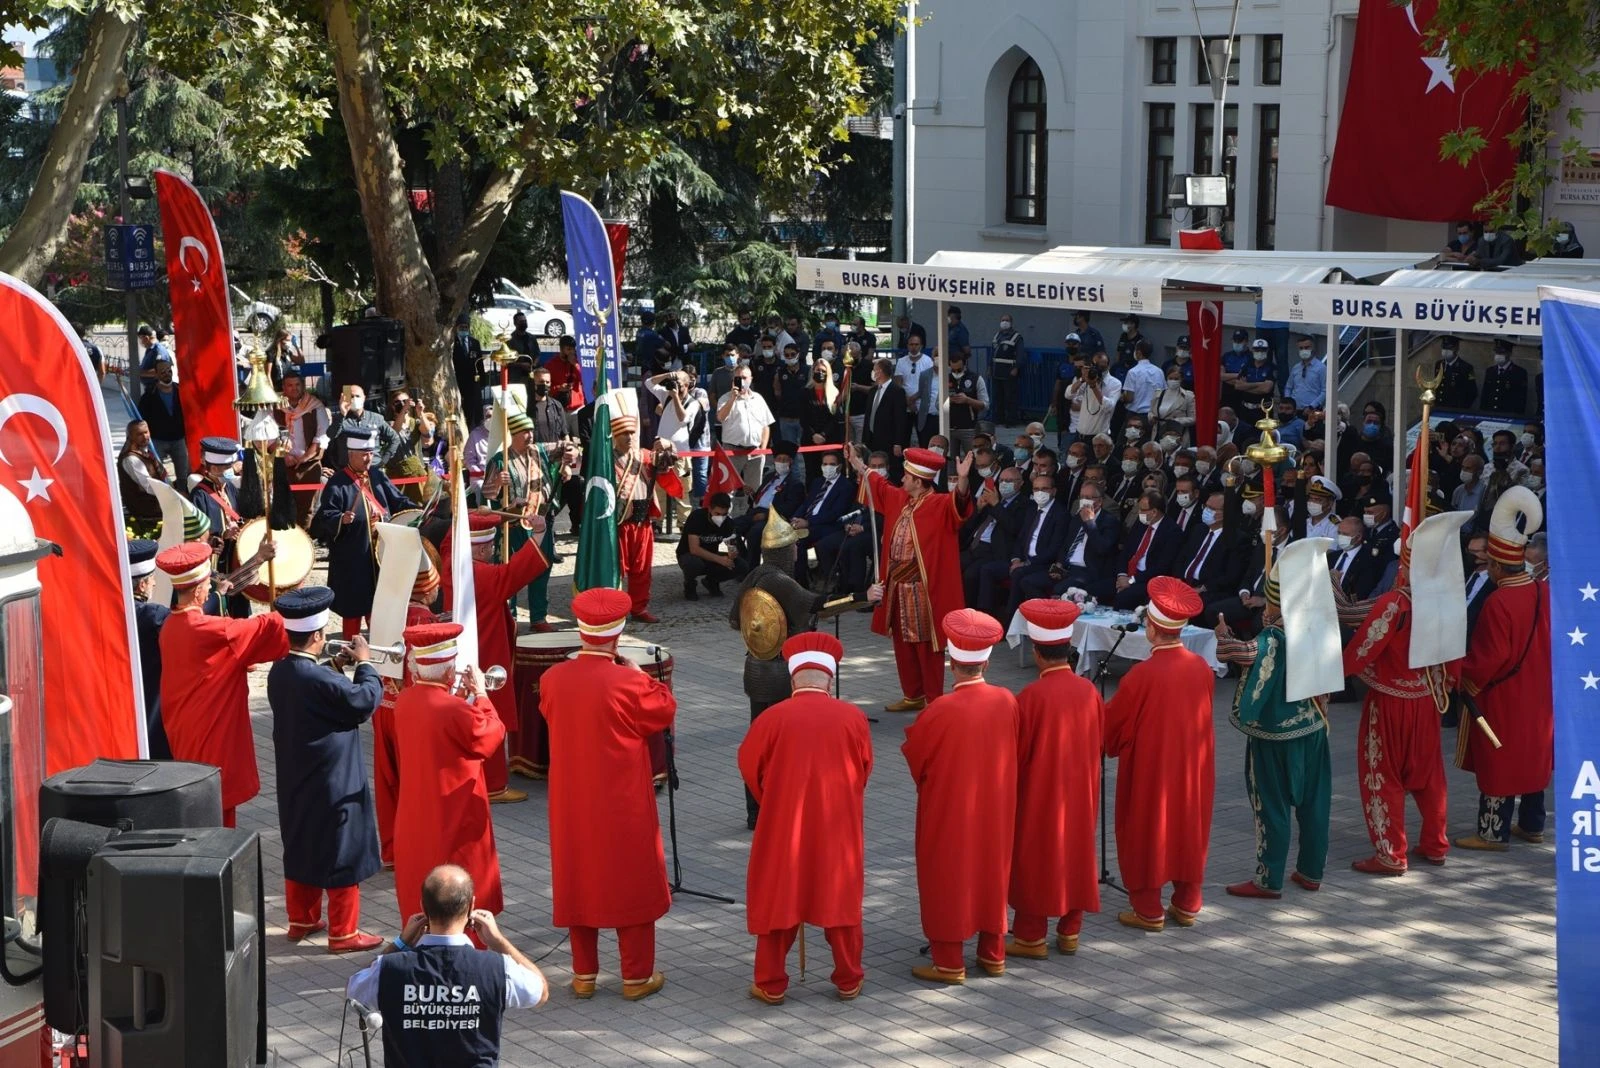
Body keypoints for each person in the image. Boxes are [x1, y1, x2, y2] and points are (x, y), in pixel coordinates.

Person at [539, 589, 676, 1001]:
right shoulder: (628, 683)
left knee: (579, 877)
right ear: (618, 636)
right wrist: (638, 675)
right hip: (622, 801)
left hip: (571, 802)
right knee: (630, 879)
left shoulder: (551, 679)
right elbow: (664, 709)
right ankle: (636, 976)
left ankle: (584, 975)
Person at [740, 633, 872, 1003]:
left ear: (793, 678)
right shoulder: (853, 717)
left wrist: (774, 799)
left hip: (785, 824)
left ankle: (770, 981)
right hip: (838, 825)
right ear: (829, 679)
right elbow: (863, 770)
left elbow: (750, 767)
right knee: (839, 896)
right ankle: (848, 977)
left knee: (779, 894)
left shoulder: (771, 718)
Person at [901, 609, 1019, 984]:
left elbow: (917, 758)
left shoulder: (940, 710)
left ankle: (949, 960)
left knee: (946, 875)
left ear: (952, 662)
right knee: (991, 870)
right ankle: (992, 952)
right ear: (985, 660)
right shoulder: (1006, 700)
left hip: (949, 807)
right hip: (996, 806)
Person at [1342, 515, 1463, 874]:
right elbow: (1454, 652)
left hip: (1389, 702)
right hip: (1425, 700)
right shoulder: (1444, 599)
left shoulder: (1396, 603)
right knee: (1429, 776)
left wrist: (1336, 673)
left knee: (1383, 775)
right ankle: (1436, 844)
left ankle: (1391, 853)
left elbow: (1365, 645)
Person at [267, 587, 386, 952]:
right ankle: (344, 931)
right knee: (341, 847)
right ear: (319, 636)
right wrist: (365, 663)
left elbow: (318, 692)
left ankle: (301, 918)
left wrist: (337, 667)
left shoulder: (280, 671)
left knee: (301, 840)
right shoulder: (319, 680)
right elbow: (362, 701)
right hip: (333, 777)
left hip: (296, 774)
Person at [347, 865, 548, 1067]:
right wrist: (498, 942)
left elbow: (355, 992)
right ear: (471, 907)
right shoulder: (497, 968)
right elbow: (540, 992)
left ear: (423, 907)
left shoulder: (390, 968)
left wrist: (400, 943)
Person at [1215, 560, 1333, 899]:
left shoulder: (1274, 635)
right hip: (1312, 725)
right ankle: (1311, 871)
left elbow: (1245, 653)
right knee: (1314, 803)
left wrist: (1224, 637)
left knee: (1272, 804)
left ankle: (1269, 879)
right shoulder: (1317, 623)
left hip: (1275, 734)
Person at [1103, 578, 1216, 931]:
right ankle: (1187, 902)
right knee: (1188, 826)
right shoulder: (1201, 667)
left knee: (1147, 828)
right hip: (1192, 765)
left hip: (1152, 767)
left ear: (1152, 627)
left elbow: (1113, 724)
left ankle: (1148, 908)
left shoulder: (1141, 676)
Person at [156, 542, 287, 826]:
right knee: (216, 818)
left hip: (186, 732)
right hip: (210, 735)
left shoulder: (171, 625)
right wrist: (292, 611)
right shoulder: (207, 629)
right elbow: (261, 629)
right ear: (200, 590)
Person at [1454, 488, 1551, 852]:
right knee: (1532, 754)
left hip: (1503, 695)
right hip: (1538, 690)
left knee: (1500, 759)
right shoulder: (1543, 591)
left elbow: (1489, 659)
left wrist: (1461, 672)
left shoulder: (1499, 600)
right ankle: (1532, 824)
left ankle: (1492, 832)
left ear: (1495, 565)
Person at [390, 623, 505, 924]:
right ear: (449, 672)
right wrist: (481, 695)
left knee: (420, 887)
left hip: (417, 814)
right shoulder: (453, 709)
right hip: (455, 816)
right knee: (461, 895)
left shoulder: (405, 701)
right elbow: (491, 736)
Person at [1007, 600, 1102, 960]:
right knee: (1077, 852)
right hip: (1080, 789)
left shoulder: (1030, 697)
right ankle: (1069, 931)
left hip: (1040, 790)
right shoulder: (1088, 691)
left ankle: (1031, 935)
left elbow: (1016, 750)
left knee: (1035, 856)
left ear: (1037, 652)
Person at [851, 447, 974, 713]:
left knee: (926, 644)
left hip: (923, 589)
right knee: (902, 642)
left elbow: (961, 504)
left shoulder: (939, 504)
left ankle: (933, 698)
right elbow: (879, 486)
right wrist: (858, 464)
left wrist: (963, 479)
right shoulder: (900, 499)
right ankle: (913, 694)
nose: (902, 480)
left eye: (906, 476)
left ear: (919, 481)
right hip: (897, 585)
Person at [441, 511, 550, 802]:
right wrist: (538, 533)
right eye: (489, 547)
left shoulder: (452, 563)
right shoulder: (483, 575)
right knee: (489, 710)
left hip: (460, 644)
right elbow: (518, 571)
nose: (492, 551)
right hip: (485, 648)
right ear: (478, 547)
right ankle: (494, 784)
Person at [729, 514, 821, 829]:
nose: (797, 551)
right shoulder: (779, 581)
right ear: (785, 552)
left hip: (756, 667)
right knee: (780, 744)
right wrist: (864, 597)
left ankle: (755, 811)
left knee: (758, 740)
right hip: (780, 670)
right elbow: (814, 605)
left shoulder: (755, 575)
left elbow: (734, 619)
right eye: (794, 547)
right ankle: (775, 807)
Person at [311, 425, 413, 639]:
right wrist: (340, 519)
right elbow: (322, 519)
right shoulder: (338, 483)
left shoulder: (377, 476)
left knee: (379, 602)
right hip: (353, 555)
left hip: (379, 553)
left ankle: (377, 643)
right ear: (351, 454)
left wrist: (414, 509)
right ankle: (351, 648)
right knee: (354, 605)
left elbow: (397, 500)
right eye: (364, 454)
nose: (368, 459)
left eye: (370, 454)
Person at [375, 553, 443, 866]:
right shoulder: (424, 621)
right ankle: (416, 849)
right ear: (428, 589)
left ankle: (390, 850)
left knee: (388, 782)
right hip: (410, 711)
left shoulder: (386, 609)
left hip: (383, 706)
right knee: (415, 783)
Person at [481, 410, 564, 631]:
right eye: (525, 432)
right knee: (511, 571)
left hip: (540, 521)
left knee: (541, 567)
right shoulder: (500, 460)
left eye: (531, 431)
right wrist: (498, 482)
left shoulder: (539, 452)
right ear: (514, 434)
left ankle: (539, 617)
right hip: (513, 525)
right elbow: (486, 494)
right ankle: (511, 617)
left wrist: (571, 451)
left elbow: (565, 447)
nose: (530, 435)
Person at [608, 398, 671, 623]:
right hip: (621, 523)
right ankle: (614, 609)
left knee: (642, 570)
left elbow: (667, 465)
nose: (630, 437)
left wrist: (667, 446)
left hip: (643, 521)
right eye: (625, 433)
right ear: (615, 435)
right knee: (616, 570)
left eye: (632, 432)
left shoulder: (644, 455)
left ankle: (639, 607)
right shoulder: (606, 460)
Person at [190, 436, 252, 618]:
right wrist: (223, 534)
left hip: (235, 560)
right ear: (214, 468)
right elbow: (197, 537)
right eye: (227, 468)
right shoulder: (199, 495)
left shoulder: (230, 488)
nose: (231, 471)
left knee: (240, 611)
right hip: (217, 565)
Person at [126, 539, 171, 759]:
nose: (154, 584)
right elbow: (187, 627)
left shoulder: (103, 611)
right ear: (142, 585)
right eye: (152, 579)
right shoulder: (153, 616)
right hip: (151, 708)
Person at [677, 492, 750, 599]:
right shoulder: (697, 517)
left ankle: (711, 581)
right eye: (717, 514)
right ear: (710, 509)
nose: (720, 518)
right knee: (692, 564)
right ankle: (690, 584)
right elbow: (694, 549)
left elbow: (732, 545)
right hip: (689, 555)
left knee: (741, 565)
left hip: (711, 556)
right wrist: (720, 559)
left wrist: (732, 553)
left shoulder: (728, 523)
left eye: (724, 514)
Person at [718, 363, 776, 493]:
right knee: (727, 490)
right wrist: (733, 398)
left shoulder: (758, 398)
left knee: (755, 491)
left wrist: (762, 449)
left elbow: (765, 425)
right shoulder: (725, 398)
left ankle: (752, 512)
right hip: (732, 450)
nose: (742, 381)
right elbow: (720, 417)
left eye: (744, 378)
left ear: (751, 379)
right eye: (738, 378)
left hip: (755, 452)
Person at [325, 385, 402, 472]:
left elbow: (395, 438)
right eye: (351, 396)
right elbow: (330, 436)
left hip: (373, 468)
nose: (354, 399)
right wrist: (342, 413)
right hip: (348, 471)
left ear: (364, 398)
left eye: (357, 396)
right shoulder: (341, 419)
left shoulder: (376, 418)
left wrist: (384, 460)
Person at [862, 357, 911, 481]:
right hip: (872, 438)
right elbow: (868, 415)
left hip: (889, 440)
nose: (873, 373)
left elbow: (900, 419)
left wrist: (898, 443)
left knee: (891, 471)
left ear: (880, 371)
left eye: (875, 370)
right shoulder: (873, 390)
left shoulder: (897, 391)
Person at [946, 348, 989, 457]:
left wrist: (967, 400)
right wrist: (948, 400)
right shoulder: (945, 378)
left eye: (959, 370)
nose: (956, 373)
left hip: (969, 428)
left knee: (973, 460)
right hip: (949, 427)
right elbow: (937, 404)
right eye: (953, 370)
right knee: (951, 463)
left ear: (965, 365)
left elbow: (985, 405)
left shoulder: (976, 378)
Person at [452, 314, 489, 427]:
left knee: (474, 409)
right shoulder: (453, 344)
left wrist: (483, 381)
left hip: (473, 381)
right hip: (459, 381)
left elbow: (480, 363)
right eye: (461, 327)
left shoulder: (474, 343)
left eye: (466, 327)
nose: (463, 329)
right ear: (456, 328)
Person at [991, 313, 1024, 426]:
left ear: (1011, 322)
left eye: (1007, 320)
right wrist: (990, 368)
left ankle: (1011, 420)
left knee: (1010, 397)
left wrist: (1016, 368)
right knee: (998, 397)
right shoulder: (997, 335)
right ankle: (999, 418)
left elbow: (1020, 354)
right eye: (1002, 320)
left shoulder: (1016, 337)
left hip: (1009, 371)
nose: (1004, 322)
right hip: (996, 372)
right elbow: (993, 354)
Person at [1481, 339, 1529, 415]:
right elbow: (1485, 395)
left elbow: (1521, 399)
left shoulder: (1519, 372)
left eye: (1502, 352)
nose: (1498, 355)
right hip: (1489, 413)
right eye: (1497, 352)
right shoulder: (1490, 371)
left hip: (1508, 414)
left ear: (1509, 353)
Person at [1433, 336, 1477, 410]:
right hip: (1439, 407)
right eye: (1444, 348)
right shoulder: (1439, 364)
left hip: (1456, 409)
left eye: (1449, 348)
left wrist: (1462, 408)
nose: (1446, 351)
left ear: (1456, 348)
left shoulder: (1466, 367)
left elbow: (1473, 392)